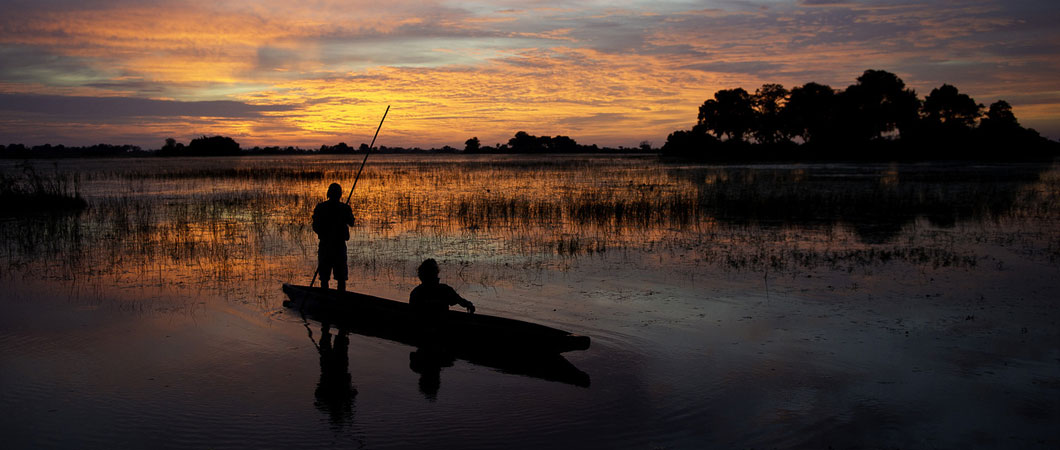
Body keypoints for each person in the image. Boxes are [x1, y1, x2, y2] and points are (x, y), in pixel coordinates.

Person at [312, 183, 355, 291]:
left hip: (328, 246)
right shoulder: (343, 208)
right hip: (335, 246)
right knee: (339, 278)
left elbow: (315, 226)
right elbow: (352, 222)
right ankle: (339, 300)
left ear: (328, 193)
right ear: (340, 194)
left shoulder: (322, 207)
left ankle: (327, 298)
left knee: (326, 278)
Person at [409, 259, 475, 317]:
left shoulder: (416, 292)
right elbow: (459, 300)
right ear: (436, 274)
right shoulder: (445, 290)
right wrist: (469, 305)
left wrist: (468, 304)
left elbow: (459, 300)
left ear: (421, 276)